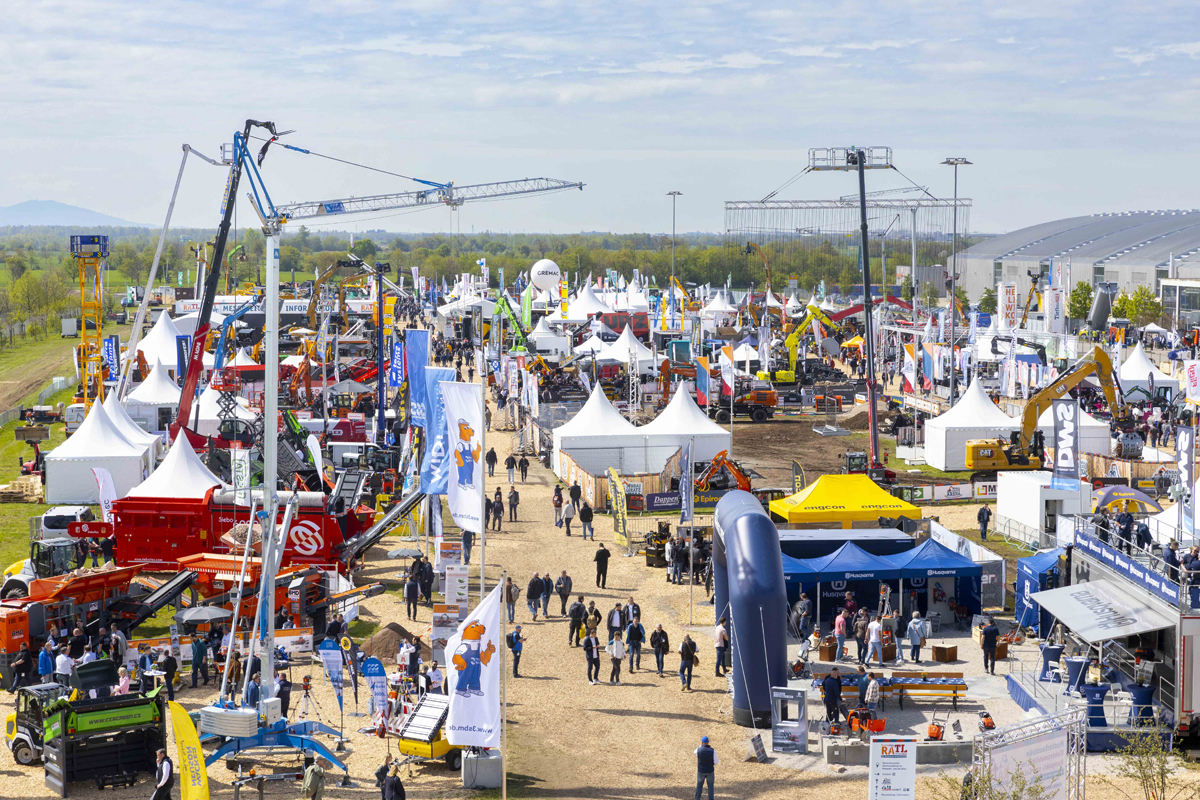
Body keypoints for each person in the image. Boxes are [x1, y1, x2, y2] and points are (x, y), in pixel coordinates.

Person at [694, 736, 717, 800]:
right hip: (710, 771)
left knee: (699, 785)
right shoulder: (712, 751)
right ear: (708, 742)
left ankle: (697, 798)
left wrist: (701, 746)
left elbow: (695, 752)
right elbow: (716, 762)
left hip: (701, 771)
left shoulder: (699, 750)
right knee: (710, 786)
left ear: (702, 742)